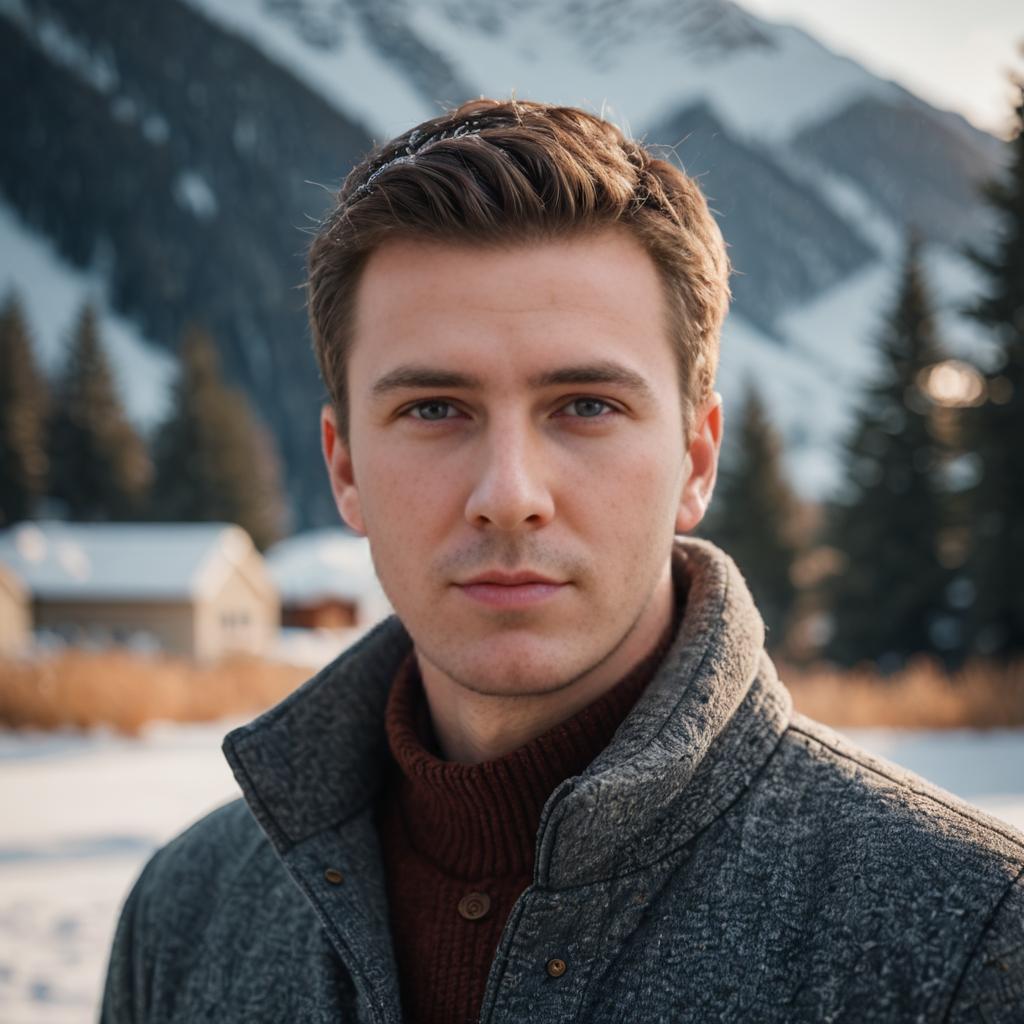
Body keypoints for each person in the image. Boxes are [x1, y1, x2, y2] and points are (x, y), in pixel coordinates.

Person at [101, 98, 1024, 1024]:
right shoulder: (186, 917)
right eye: (434, 409)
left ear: (697, 460)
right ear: (344, 467)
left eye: (584, 405)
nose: (509, 493)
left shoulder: (969, 939)